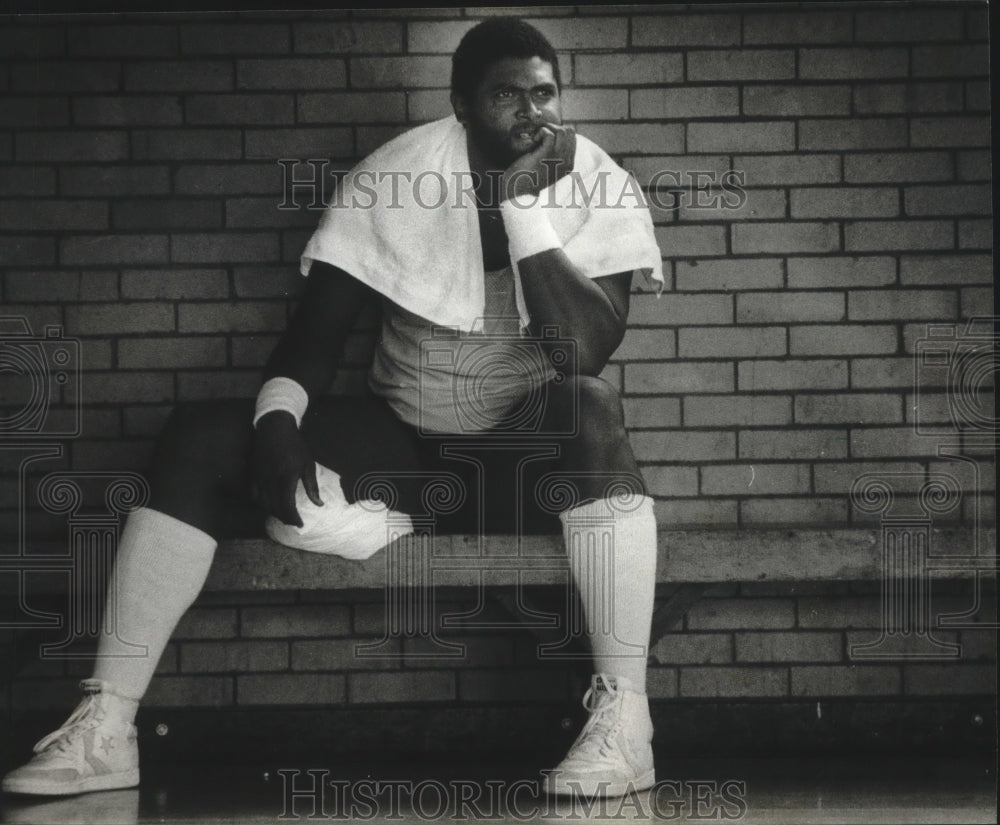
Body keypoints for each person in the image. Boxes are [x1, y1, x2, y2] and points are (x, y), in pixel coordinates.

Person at [2, 17, 663, 800]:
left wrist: (522, 206)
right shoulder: (396, 177)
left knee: (589, 406)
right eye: (505, 96)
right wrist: (278, 423)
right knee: (200, 435)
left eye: (544, 93)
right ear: (461, 105)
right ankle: (107, 723)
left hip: (516, 473)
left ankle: (627, 722)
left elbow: (579, 351)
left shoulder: (599, 184)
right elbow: (313, 340)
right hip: (406, 455)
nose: (530, 113)